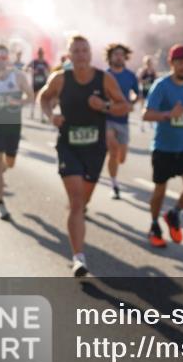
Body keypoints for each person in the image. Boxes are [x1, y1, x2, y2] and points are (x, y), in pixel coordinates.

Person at [38, 34, 131, 277]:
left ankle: (78, 217)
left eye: (85, 51)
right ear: (69, 56)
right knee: (77, 201)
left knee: (83, 200)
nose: (81, 55)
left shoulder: (104, 79)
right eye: (76, 51)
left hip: (95, 148)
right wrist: (51, 116)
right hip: (68, 145)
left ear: (91, 54)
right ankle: (79, 258)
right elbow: (44, 98)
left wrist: (105, 106)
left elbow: (124, 106)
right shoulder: (60, 78)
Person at [143, 45, 183, 247]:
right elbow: (146, 114)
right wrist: (168, 115)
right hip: (164, 149)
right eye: (180, 62)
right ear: (171, 64)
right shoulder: (161, 85)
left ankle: (174, 213)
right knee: (159, 191)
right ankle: (153, 224)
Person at [0, 44, 34, 221]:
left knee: (9, 163)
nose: (0, 61)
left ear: (7, 58)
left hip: (12, 126)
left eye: (3, 57)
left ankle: (2, 169)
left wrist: (18, 103)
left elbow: (31, 97)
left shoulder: (17, 76)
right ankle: (1, 203)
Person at [103, 43, 139, 200]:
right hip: (107, 119)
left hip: (123, 120)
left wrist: (131, 103)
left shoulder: (130, 76)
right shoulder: (105, 75)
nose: (118, 57)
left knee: (121, 157)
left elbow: (138, 94)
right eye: (115, 54)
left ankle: (113, 166)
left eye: (121, 54)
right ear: (110, 57)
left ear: (125, 57)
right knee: (113, 150)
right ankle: (114, 184)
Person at [27, 48, 51, 121]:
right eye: (39, 53)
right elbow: (26, 68)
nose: (40, 54)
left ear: (43, 54)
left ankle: (42, 117)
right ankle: (32, 113)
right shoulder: (35, 62)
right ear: (38, 54)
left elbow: (50, 70)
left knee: (42, 99)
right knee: (33, 99)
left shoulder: (45, 63)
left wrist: (46, 72)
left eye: (41, 53)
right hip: (35, 83)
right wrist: (33, 71)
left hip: (43, 83)